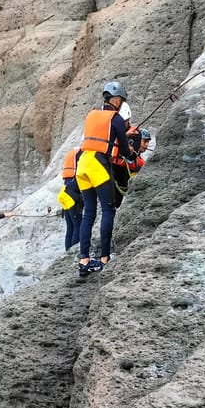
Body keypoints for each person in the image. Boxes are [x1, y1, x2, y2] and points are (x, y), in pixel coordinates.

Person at [75, 81, 137, 275]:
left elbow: (100, 138)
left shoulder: (92, 114)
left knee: (89, 214)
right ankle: (105, 257)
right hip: (98, 165)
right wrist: (132, 154)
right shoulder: (116, 118)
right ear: (117, 100)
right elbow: (125, 150)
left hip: (83, 164)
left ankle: (84, 260)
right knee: (108, 210)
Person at [57, 148, 83, 252]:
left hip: (65, 193)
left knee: (70, 227)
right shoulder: (82, 154)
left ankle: (67, 252)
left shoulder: (73, 152)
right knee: (78, 225)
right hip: (72, 196)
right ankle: (73, 252)